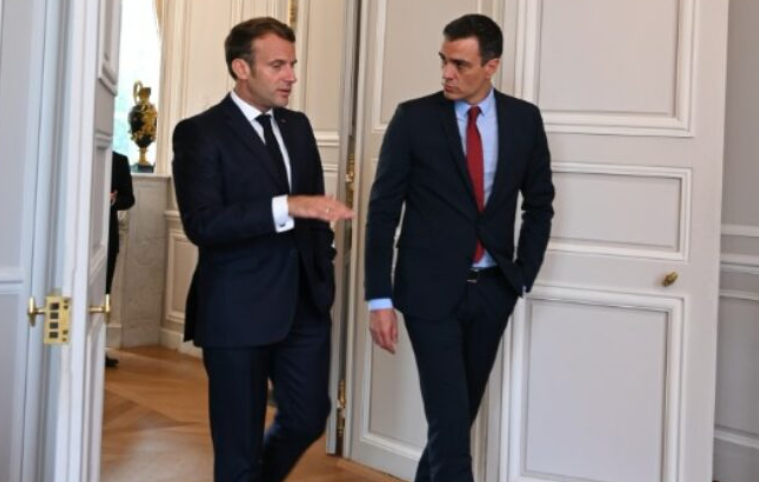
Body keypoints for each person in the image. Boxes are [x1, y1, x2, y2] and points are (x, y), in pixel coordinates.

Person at [365, 14, 554, 482]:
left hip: (492, 291)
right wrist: (379, 298)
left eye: (461, 64)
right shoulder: (413, 119)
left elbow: (540, 204)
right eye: (444, 61)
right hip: (428, 292)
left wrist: (521, 275)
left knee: (454, 420)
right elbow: (383, 212)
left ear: (492, 66)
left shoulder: (524, 120)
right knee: (450, 427)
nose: (447, 73)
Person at [172, 17, 353, 482]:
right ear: (241, 68)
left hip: (304, 306)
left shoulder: (298, 126)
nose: (291, 76)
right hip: (235, 310)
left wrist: (323, 265)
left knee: (309, 415)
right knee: (238, 449)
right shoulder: (199, 132)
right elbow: (202, 223)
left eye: (293, 64)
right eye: (278, 65)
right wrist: (285, 206)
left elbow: (315, 210)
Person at [105, 150, 135, 368]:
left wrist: (114, 200)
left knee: (103, 295)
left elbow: (129, 198)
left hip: (107, 240)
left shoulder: (119, 160)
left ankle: (98, 350)